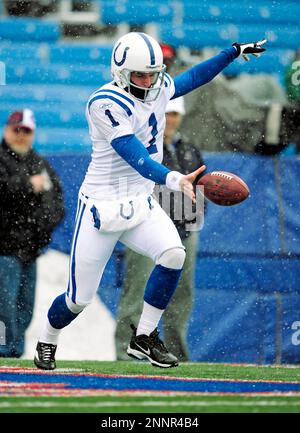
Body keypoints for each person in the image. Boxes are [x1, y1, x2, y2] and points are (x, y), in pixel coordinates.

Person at [33, 32, 267, 370]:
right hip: (103, 207)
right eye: (139, 74)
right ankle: (47, 339)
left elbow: (192, 78)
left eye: (152, 73)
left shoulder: (157, 86)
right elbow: (135, 156)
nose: (147, 81)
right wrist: (174, 179)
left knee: (173, 254)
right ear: (120, 72)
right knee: (77, 299)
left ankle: (143, 337)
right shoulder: (105, 102)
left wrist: (230, 53)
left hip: (140, 201)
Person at [115, 96, 206, 361]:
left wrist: (192, 216)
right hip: (147, 231)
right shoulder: (143, 147)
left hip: (184, 230)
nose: (172, 119)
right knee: (137, 293)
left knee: (180, 297)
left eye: (176, 114)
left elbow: (200, 189)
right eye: (168, 113)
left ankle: (175, 352)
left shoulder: (188, 149)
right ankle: (126, 353)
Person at [0, 109, 65, 358]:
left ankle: (15, 352)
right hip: (4, 248)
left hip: (30, 248)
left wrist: (42, 227)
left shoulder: (39, 162)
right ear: (7, 129)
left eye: (26, 131)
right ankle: (3, 351)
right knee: (4, 308)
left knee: (24, 308)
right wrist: (27, 186)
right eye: (16, 129)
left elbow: (56, 203)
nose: (20, 135)